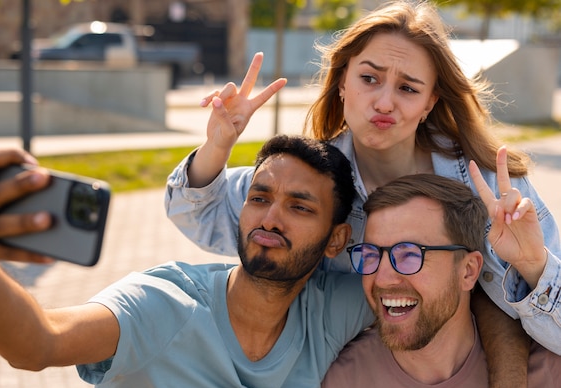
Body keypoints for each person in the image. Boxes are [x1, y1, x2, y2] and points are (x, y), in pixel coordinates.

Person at [164, 1, 561, 355]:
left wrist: (532, 265)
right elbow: (198, 216)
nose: (384, 102)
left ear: (430, 102)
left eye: (408, 88)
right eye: (369, 78)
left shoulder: (488, 185)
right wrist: (217, 146)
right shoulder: (311, 177)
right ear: (342, 82)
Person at [0, 135, 376, 388]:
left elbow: (433, 290)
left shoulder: (328, 312)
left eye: (299, 207)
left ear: (336, 239)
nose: (270, 218)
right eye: (259, 197)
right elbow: (40, 343)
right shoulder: (166, 304)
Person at [312, 174, 561, 388]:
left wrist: (533, 264)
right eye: (370, 255)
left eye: (409, 254)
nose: (382, 278)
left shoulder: (548, 378)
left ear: (468, 271)